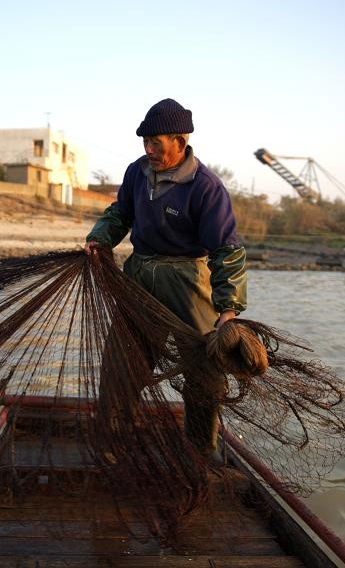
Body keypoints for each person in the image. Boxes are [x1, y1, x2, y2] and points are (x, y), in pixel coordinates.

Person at [84, 98, 247, 461]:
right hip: (140, 276)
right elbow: (119, 214)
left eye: (156, 143)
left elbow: (227, 251)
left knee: (205, 370)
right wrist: (100, 237)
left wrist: (229, 308)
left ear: (181, 140)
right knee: (121, 363)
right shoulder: (136, 173)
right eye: (145, 142)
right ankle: (113, 442)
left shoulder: (206, 187)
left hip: (189, 282)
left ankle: (201, 450)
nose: (149, 150)